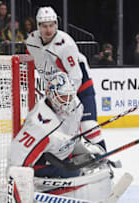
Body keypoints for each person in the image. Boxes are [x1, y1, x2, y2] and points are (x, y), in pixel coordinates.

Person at [9, 72, 112, 200]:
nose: (68, 102)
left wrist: (85, 149)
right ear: (51, 95)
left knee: (95, 164)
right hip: (43, 164)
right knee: (77, 172)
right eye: (63, 97)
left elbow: (74, 134)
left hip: (62, 155)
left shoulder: (76, 105)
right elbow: (16, 160)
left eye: (70, 96)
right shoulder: (38, 125)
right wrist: (18, 189)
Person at [26, 6, 106, 150]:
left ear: (56, 24)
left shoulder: (65, 44)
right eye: (44, 26)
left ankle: (104, 157)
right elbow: (32, 62)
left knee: (88, 126)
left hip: (80, 87)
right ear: (38, 26)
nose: (48, 30)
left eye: (52, 25)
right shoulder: (31, 41)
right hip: (56, 92)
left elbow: (76, 76)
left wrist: (65, 100)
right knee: (52, 128)